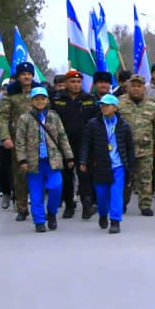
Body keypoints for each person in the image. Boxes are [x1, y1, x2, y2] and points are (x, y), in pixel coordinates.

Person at [14, 86, 74, 233]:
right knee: (36, 193)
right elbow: (20, 141)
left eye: (43, 98)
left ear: (47, 100)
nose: (40, 101)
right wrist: (22, 160)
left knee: (56, 186)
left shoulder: (54, 116)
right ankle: (39, 221)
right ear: (32, 100)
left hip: (52, 160)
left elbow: (62, 137)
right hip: (34, 162)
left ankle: (52, 213)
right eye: (37, 99)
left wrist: (69, 156)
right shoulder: (25, 118)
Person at [79, 93, 135, 233]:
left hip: (118, 166)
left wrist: (132, 166)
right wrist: (83, 160)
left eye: (107, 105)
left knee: (116, 194)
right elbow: (86, 144)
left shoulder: (124, 126)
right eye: (102, 105)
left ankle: (115, 220)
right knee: (102, 195)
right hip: (100, 166)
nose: (103, 107)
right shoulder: (93, 124)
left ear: (115, 107)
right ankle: (103, 214)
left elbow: (130, 147)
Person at [51, 69, 99, 218]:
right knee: (66, 176)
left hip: (85, 144)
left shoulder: (90, 99)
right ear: (66, 83)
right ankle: (69, 205)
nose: (76, 84)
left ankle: (86, 205)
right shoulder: (57, 100)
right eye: (72, 81)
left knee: (85, 175)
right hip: (64, 144)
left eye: (78, 82)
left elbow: (96, 122)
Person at [0, 61, 37, 221]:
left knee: (38, 175)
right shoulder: (10, 95)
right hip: (17, 142)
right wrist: (5, 137)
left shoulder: (39, 92)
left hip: (38, 141)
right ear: (18, 77)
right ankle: (21, 208)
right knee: (20, 175)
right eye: (23, 74)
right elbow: (2, 117)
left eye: (29, 74)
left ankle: (39, 207)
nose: (26, 77)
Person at [117, 73, 155, 216]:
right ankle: (122, 203)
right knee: (125, 179)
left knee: (145, 178)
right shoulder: (119, 103)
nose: (136, 89)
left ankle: (145, 205)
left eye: (139, 86)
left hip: (146, 149)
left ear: (144, 87)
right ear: (128, 87)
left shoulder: (152, 104)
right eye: (133, 86)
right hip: (124, 150)